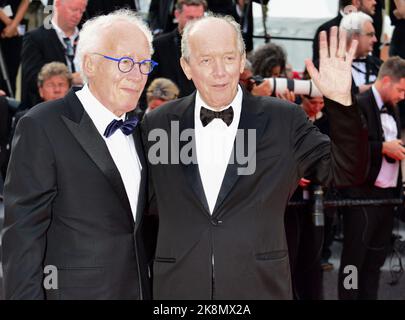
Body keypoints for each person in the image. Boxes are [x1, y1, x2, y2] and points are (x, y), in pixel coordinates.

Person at [141, 15, 368, 299]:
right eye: (206, 60)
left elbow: (347, 171)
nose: (220, 71)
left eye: (228, 57)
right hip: (179, 290)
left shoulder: (284, 120)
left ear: (241, 60)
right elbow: (140, 204)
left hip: (260, 287)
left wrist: (342, 102)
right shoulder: (158, 124)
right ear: (186, 67)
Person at [2, 9, 157, 300]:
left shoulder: (142, 130)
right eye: (125, 63)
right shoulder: (42, 125)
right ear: (90, 64)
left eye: (144, 64)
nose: (138, 76)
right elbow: (22, 238)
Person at [338, 56, 405, 300]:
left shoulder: (394, 108)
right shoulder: (360, 103)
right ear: (386, 81)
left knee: (376, 260)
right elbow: (347, 147)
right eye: (401, 89)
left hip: (387, 198)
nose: (402, 96)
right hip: (361, 197)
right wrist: (382, 148)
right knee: (353, 261)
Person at [21, 0, 87, 109]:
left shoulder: (89, 38)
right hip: (48, 110)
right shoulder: (35, 38)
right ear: (57, 4)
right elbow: (32, 79)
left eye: (81, 11)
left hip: (86, 108)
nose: (78, 15)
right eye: (73, 9)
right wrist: (69, 79)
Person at [148, 0, 206, 99]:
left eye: (199, 18)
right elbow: (148, 84)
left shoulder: (211, 46)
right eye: (190, 18)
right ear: (177, 15)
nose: (195, 23)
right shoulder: (160, 45)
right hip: (168, 109)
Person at [312, 0, 377, 62]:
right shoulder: (327, 29)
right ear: (356, 2)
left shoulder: (370, 25)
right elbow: (319, 64)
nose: (374, 2)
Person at [340, 11, 382, 94]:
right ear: (354, 37)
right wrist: (358, 90)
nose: (375, 40)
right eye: (370, 35)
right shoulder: (328, 66)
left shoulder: (379, 66)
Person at [0, 0, 29, 96]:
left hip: (15, 31)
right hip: (7, 26)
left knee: (12, 72)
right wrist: (9, 23)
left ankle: (9, 106)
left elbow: (25, 1)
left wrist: (13, 25)